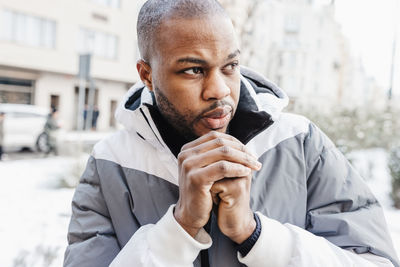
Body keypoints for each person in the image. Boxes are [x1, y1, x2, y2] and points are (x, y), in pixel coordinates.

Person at [64, 1, 399, 267]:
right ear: (147, 75)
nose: (219, 90)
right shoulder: (111, 164)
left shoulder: (300, 143)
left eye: (230, 66)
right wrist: (178, 229)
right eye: (194, 70)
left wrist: (254, 234)